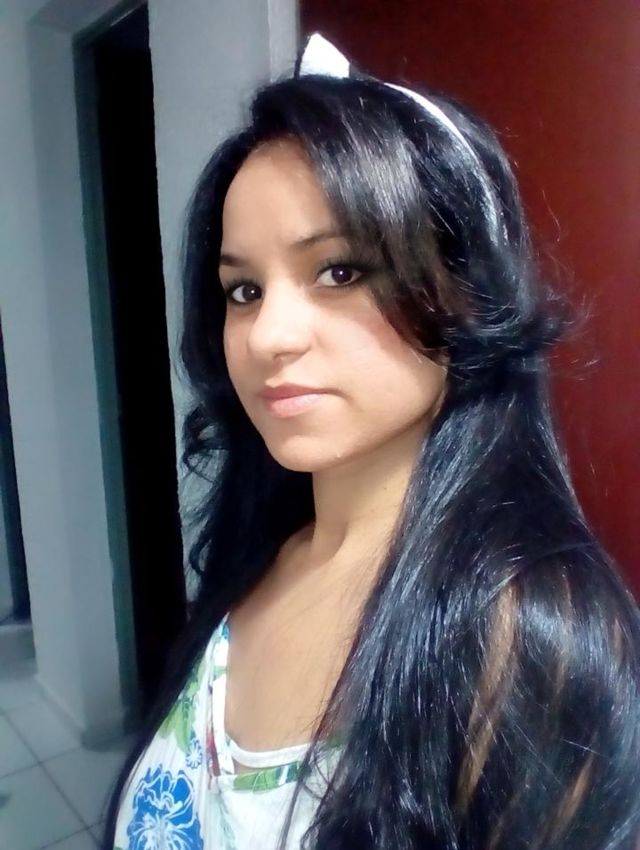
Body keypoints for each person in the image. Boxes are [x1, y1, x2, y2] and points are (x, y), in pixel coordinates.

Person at [102, 33, 640, 850]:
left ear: (463, 292)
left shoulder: (525, 641)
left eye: (341, 271)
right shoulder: (265, 549)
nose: (267, 335)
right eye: (243, 290)